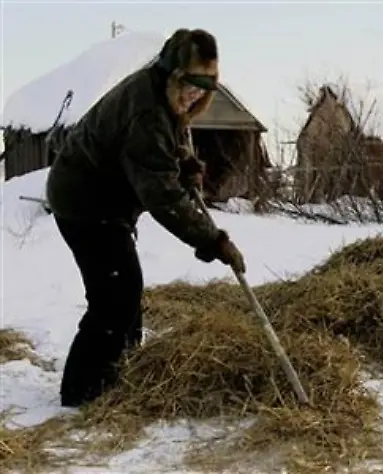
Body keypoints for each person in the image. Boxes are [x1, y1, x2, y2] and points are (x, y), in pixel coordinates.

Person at [45, 28, 246, 408]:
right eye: (192, 84)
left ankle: (122, 367)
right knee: (114, 296)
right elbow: (161, 195)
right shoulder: (147, 111)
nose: (197, 94)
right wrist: (210, 239)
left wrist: (184, 162)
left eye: (205, 87)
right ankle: (84, 390)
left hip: (107, 200)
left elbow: (173, 141)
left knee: (125, 288)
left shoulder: (166, 99)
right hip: (85, 201)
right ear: (173, 75)